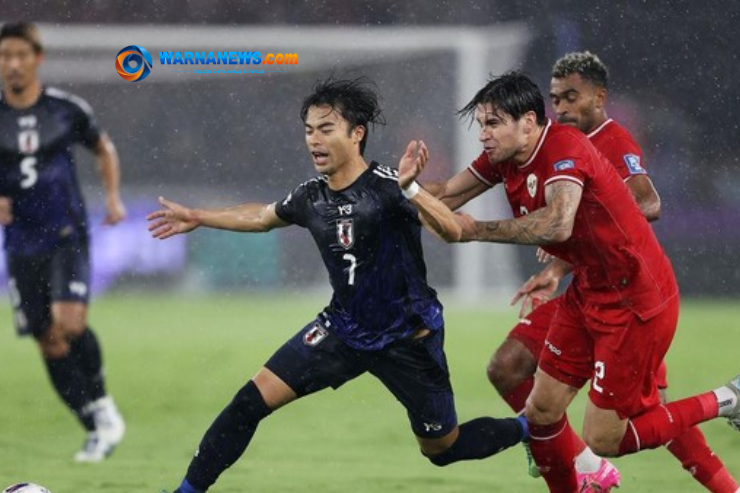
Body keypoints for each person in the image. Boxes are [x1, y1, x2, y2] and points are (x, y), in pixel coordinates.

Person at [147, 78, 527, 493]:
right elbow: (260, 218)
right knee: (248, 403)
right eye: (309, 130)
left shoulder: (389, 186)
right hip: (342, 329)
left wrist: (411, 189)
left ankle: (529, 428)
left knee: (442, 449)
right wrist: (200, 217)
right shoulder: (311, 197)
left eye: (326, 129)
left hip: (408, 340)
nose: (314, 140)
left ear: (356, 134)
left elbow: (452, 228)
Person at [405, 70, 740, 493]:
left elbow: (559, 222)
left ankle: (728, 398)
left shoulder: (565, 145)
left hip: (635, 297)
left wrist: (473, 230)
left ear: (528, 122)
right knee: (541, 409)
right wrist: (403, 189)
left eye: (492, 124)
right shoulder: (502, 157)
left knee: (606, 437)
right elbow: (448, 197)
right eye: (481, 125)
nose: (483, 136)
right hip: (588, 291)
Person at [0, 22, 126, 463]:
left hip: (66, 233)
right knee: (47, 340)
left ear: (37, 59)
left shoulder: (65, 109)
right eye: (5, 56)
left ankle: (103, 403)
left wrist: (112, 197)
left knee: (69, 324)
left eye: (20, 55)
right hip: (20, 243)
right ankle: (94, 424)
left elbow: (103, 148)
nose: (12, 64)